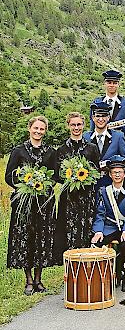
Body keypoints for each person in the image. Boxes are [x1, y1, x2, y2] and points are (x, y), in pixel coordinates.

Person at [6, 116, 57, 295]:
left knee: (40, 240)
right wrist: (25, 185)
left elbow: (55, 176)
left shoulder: (50, 151)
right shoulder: (18, 151)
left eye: (41, 129)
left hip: (43, 202)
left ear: (45, 131)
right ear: (29, 129)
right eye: (35, 128)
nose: (38, 131)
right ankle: (28, 280)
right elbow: (9, 176)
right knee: (26, 239)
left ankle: (38, 279)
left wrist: (43, 184)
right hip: (24, 203)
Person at [90, 155, 125, 292]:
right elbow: (100, 213)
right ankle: (100, 278)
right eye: (114, 172)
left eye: (120, 172)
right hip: (110, 226)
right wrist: (98, 231)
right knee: (96, 243)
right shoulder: (103, 191)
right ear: (110, 174)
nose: (117, 175)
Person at [54, 112, 101, 257]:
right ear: (68, 126)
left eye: (79, 124)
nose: (76, 127)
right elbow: (58, 175)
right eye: (73, 124)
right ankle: (70, 273)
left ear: (83, 125)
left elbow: (96, 171)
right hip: (68, 197)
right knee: (68, 234)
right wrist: (72, 179)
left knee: (86, 232)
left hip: (87, 197)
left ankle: (86, 273)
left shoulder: (92, 148)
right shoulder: (61, 149)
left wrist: (85, 179)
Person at [84, 102, 125, 186]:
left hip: (111, 184)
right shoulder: (85, 137)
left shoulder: (118, 137)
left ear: (108, 117)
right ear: (93, 118)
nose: (101, 119)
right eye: (98, 116)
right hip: (90, 185)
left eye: (104, 116)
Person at [90, 70, 125, 136]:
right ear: (104, 83)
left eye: (115, 83)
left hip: (119, 143)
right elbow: (92, 125)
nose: (112, 85)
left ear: (118, 84)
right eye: (109, 82)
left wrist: (119, 128)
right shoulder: (97, 102)